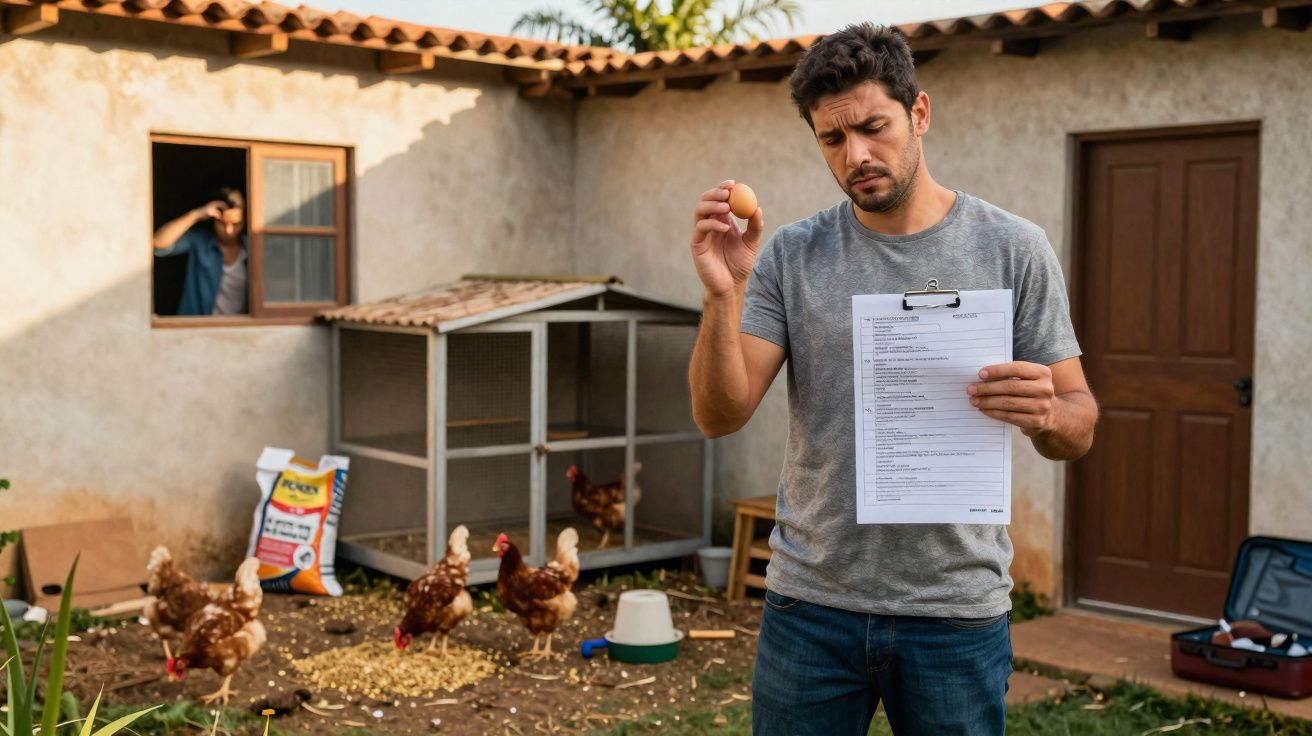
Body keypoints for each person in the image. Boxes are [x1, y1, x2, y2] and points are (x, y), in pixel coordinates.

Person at [686, 24, 1098, 736]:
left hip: (955, 612)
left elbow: (1080, 421)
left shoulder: (1012, 249)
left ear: (919, 114)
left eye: (874, 128)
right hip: (811, 607)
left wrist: (1047, 415)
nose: (857, 156)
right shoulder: (790, 254)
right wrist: (723, 293)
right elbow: (719, 415)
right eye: (832, 140)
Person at [152, 187, 248, 316]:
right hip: (200, 328)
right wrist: (196, 215)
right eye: (222, 224)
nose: (229, 231)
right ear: (213, 221)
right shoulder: (201, 241)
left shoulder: (252, 248)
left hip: (242, 329)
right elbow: (159, 243)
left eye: (236, 224)